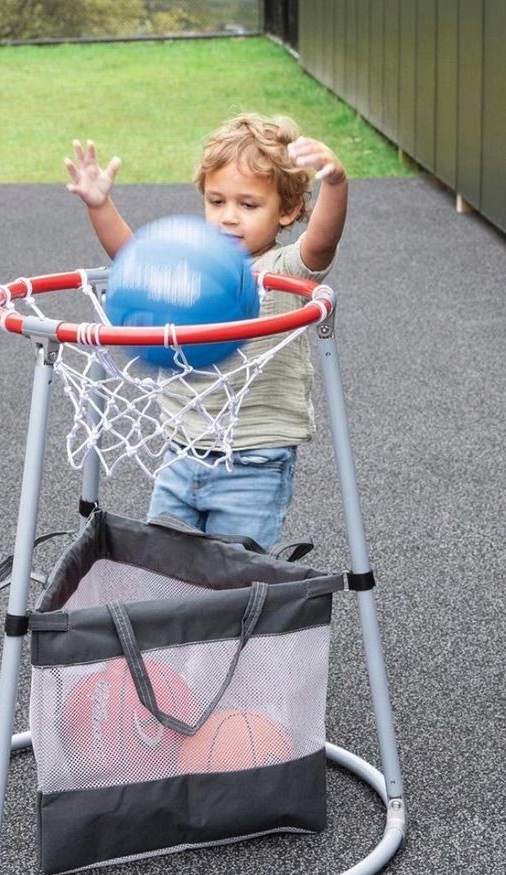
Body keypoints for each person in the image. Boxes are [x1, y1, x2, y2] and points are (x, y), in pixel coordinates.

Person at [64, 112, 348, 550]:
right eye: (217, 202)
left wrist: (335, 184)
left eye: (248, 205)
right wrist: (99, 205)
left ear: (288, 210)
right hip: (181, 449)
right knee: (164, 567)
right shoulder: (192, 263)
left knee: (236, 571)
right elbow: (133, 259)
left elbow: (322, 242)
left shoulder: (283, 266)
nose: (229, 217)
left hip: (256, 459)